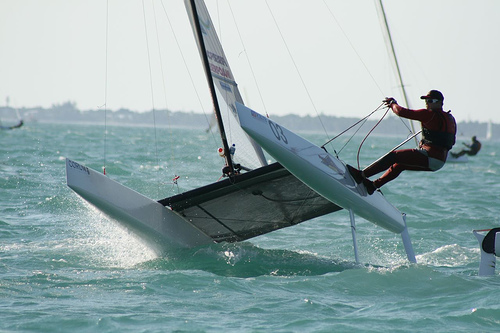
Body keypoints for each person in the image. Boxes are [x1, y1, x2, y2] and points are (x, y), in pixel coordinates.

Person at [347, 90, 457, 195]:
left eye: (431, 101)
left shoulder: (428, 114)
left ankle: (360, 176)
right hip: (439, 162)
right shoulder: (450, 119)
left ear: (440, 103)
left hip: (429, 157)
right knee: (399, 165)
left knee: (394, 156)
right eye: (426, 101)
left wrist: (392, 104)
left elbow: (401, 112)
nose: (427, 103)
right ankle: (373, 186)